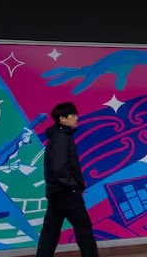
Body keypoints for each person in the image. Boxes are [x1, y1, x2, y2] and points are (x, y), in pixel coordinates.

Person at [36, 102, 98, 257]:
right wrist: (73, 187)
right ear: (62, 119)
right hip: (66, 193)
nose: (76, 118)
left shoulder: (58, 136)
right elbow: (59, 168)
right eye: (73, 115)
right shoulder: (62, 138)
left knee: (50, 231)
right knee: (83, 228)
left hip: (56, 192)